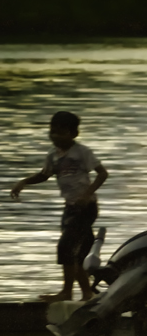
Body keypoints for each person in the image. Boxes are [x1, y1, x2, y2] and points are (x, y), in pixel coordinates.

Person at [11, 111, 109, 303]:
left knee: (65, 247)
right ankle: (87, 293)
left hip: (86, 207)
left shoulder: (82, 152)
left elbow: (102, 174)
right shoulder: (53, 154)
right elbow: (44, 175)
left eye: (61, 133)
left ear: (73, 134)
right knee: (79, 253)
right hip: (70, 207)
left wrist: (86, 194)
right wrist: (23, 182)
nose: (55, 136)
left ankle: (66, 292)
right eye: (52, 132)